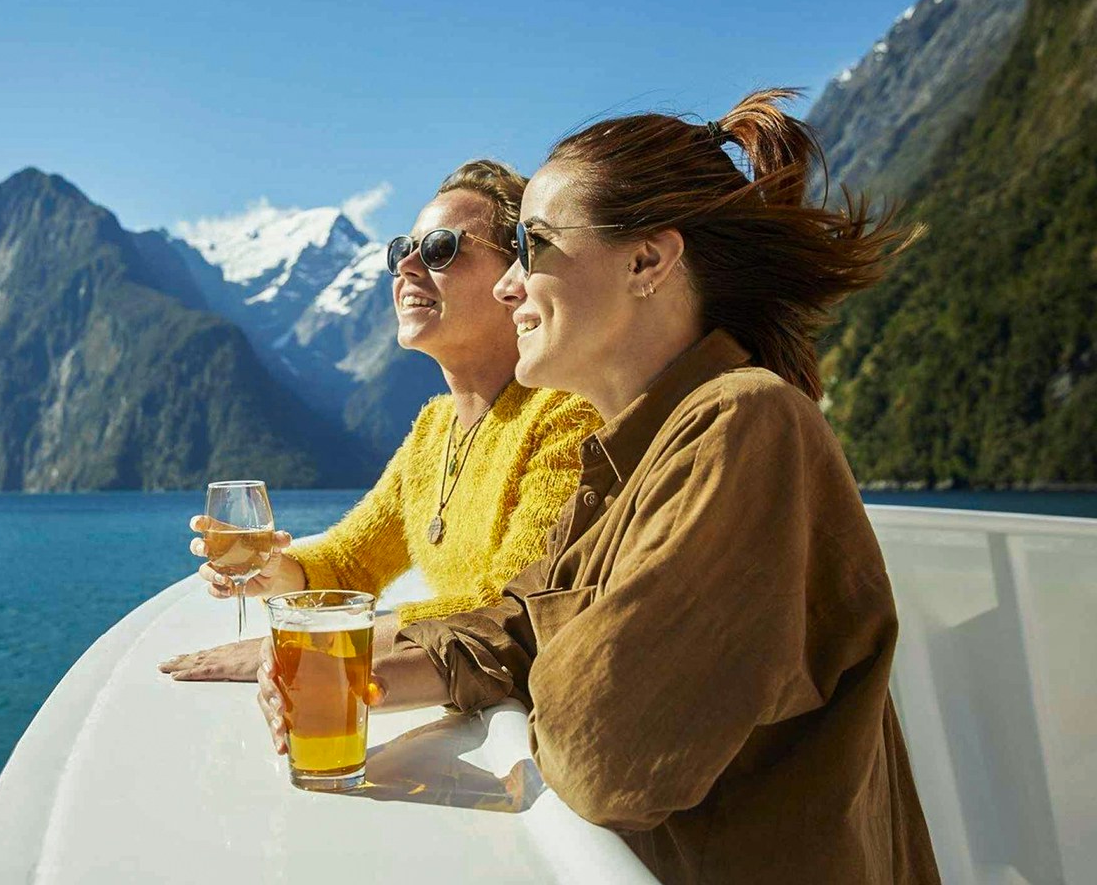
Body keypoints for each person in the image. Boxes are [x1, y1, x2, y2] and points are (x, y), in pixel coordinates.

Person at [256, 90, 941, 883]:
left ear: (647, 262)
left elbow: (601, 754)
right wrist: (350, 674)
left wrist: (543, 653)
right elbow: (514, 624)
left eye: (533, 246)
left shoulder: (745, 426)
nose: (511, 285)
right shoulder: (628, 457)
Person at [161, 160, 602, 681]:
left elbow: (505, 607)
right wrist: (278, 571)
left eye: (440, 248)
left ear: (515, 277)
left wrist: (299, 643)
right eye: (401, 251)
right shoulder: (434, 431)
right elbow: (353, 562)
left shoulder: (566, 415)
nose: (408, 266)